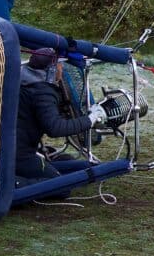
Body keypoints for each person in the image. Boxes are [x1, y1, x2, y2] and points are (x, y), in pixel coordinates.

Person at [15, 47, 107, 189]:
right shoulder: (42, 92)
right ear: (51, 70)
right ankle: (11, 185)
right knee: (60, 186)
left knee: (88, 166)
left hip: (17, 150)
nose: (61, 70)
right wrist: (91, 119)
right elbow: (56, 128)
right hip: (20, 156)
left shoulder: (23, 83)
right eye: (59, 66)